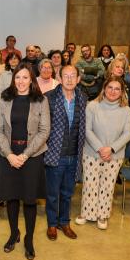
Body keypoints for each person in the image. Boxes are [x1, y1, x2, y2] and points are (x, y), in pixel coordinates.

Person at [0, 62, 50, 260]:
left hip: (31, 155)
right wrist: (9, 154)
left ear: (31, 79)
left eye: (25, 77)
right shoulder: (4, 99)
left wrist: (25, 155)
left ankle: (29, 239)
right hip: (8, 155)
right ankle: (13, 233)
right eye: (18, 77)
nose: (21, 81)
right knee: (11, 197)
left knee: (29, 199)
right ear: (13, 79)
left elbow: (44, 131)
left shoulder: (40, 100)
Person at [75, 76, 130, 230]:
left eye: (117, 89)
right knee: (90, 184)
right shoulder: (92, 106)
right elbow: (87, 129)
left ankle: (102, 214)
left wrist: (111, 149)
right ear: (104, 89)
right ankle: (87, 213)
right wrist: (101, 148)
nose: (113, 91)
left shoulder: (126, 110)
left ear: (121, 92)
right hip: (91, 152)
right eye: (110, 88)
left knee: (107, 186)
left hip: (114, 155)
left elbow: (127, 134)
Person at [45, 65, 86, 241]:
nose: (69, 79)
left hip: (75, 154)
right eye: (65, 76)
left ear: (78, 79)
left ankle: (64, 222)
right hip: (55, 154)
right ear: (59, 78)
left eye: (73, 76)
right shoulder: (49, 98)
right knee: (53, 194)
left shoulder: (83, 98)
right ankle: (52, 225)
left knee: (68, 193)